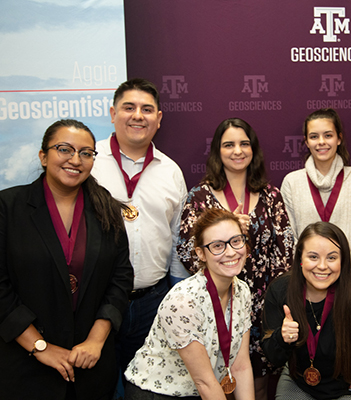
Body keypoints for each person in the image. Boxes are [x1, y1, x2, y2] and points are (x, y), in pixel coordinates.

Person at [0, 119, 133, 399]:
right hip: (25, 366)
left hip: (90, 365)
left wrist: (96, 341)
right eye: (65, 149)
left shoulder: (106, 209)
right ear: (43, 156)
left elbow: (121, 279)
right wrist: (39, 346)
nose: (76, 159)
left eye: (86, 153)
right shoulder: (8, 208)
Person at [177, 117, 294, 399]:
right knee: (216, 378)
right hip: (216, 304)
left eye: (244, 143)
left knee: (257, 380)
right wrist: (225, 233)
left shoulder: (270, 196)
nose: (237, 150)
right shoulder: (200, 197)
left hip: (262, 306)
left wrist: (275, 300)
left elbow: (287, 251)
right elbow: (185, 249)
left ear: (254, 149)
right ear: (218, 151)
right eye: (228, 144)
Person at [91, 78, 188, 386]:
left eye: (147, 109)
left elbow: (177, 240)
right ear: (112, 113)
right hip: (97, 299)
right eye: (128, 107)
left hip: (153, 302)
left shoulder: (171, 171)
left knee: (147, 388)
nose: (138, 116)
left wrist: (174, 294)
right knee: (98, 386)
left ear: (158, 119)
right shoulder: (88, 162)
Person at [262, 221, 351, 400]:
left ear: (342, 261)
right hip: (299, 382)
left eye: (331, 258)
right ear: (300, 258)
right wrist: (282, 338)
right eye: (313, 257)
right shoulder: (280, 289)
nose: (322, 266)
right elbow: (272, 357)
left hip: (348, 388)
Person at [124, 208, 254, 399]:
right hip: (157, 393)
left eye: (236, 241)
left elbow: (240, 366)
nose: (231, 252)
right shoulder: (183, 301)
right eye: (218, 246)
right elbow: (204, 383)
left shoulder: (242, 291)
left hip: (200, 391)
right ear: (201, 254)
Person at [281, 108, 351, 279]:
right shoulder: (292, 182)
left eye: (328, 135)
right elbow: (290, 238)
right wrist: (310, 275)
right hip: (307, 280)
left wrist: (348, 277)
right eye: (314, 136)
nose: (321, 142)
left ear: (339, 138)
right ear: (306, 142)